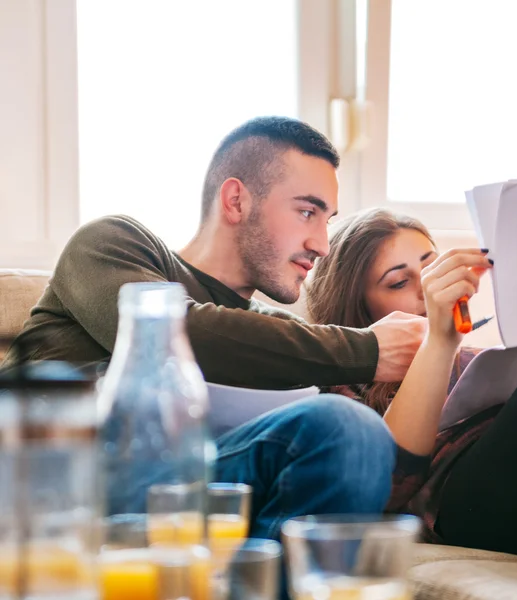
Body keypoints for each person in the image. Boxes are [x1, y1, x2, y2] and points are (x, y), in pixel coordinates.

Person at [2, 117, 428, 539]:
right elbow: (173, 333)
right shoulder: (114, 244)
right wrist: (366, 351)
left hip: (196, 491)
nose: (321, 245)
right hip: (62, 484)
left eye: (327, 221)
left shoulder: (280, 333)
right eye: (306, 212)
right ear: (236, 200)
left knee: (350, 430)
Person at [306, 207, 517, 566]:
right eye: (399, 282)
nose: (427, 291)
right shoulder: (344, 388)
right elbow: (386, 485)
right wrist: (438, 341)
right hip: (468, 503)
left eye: (432, 270)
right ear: (357, 306)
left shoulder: (484, 359)